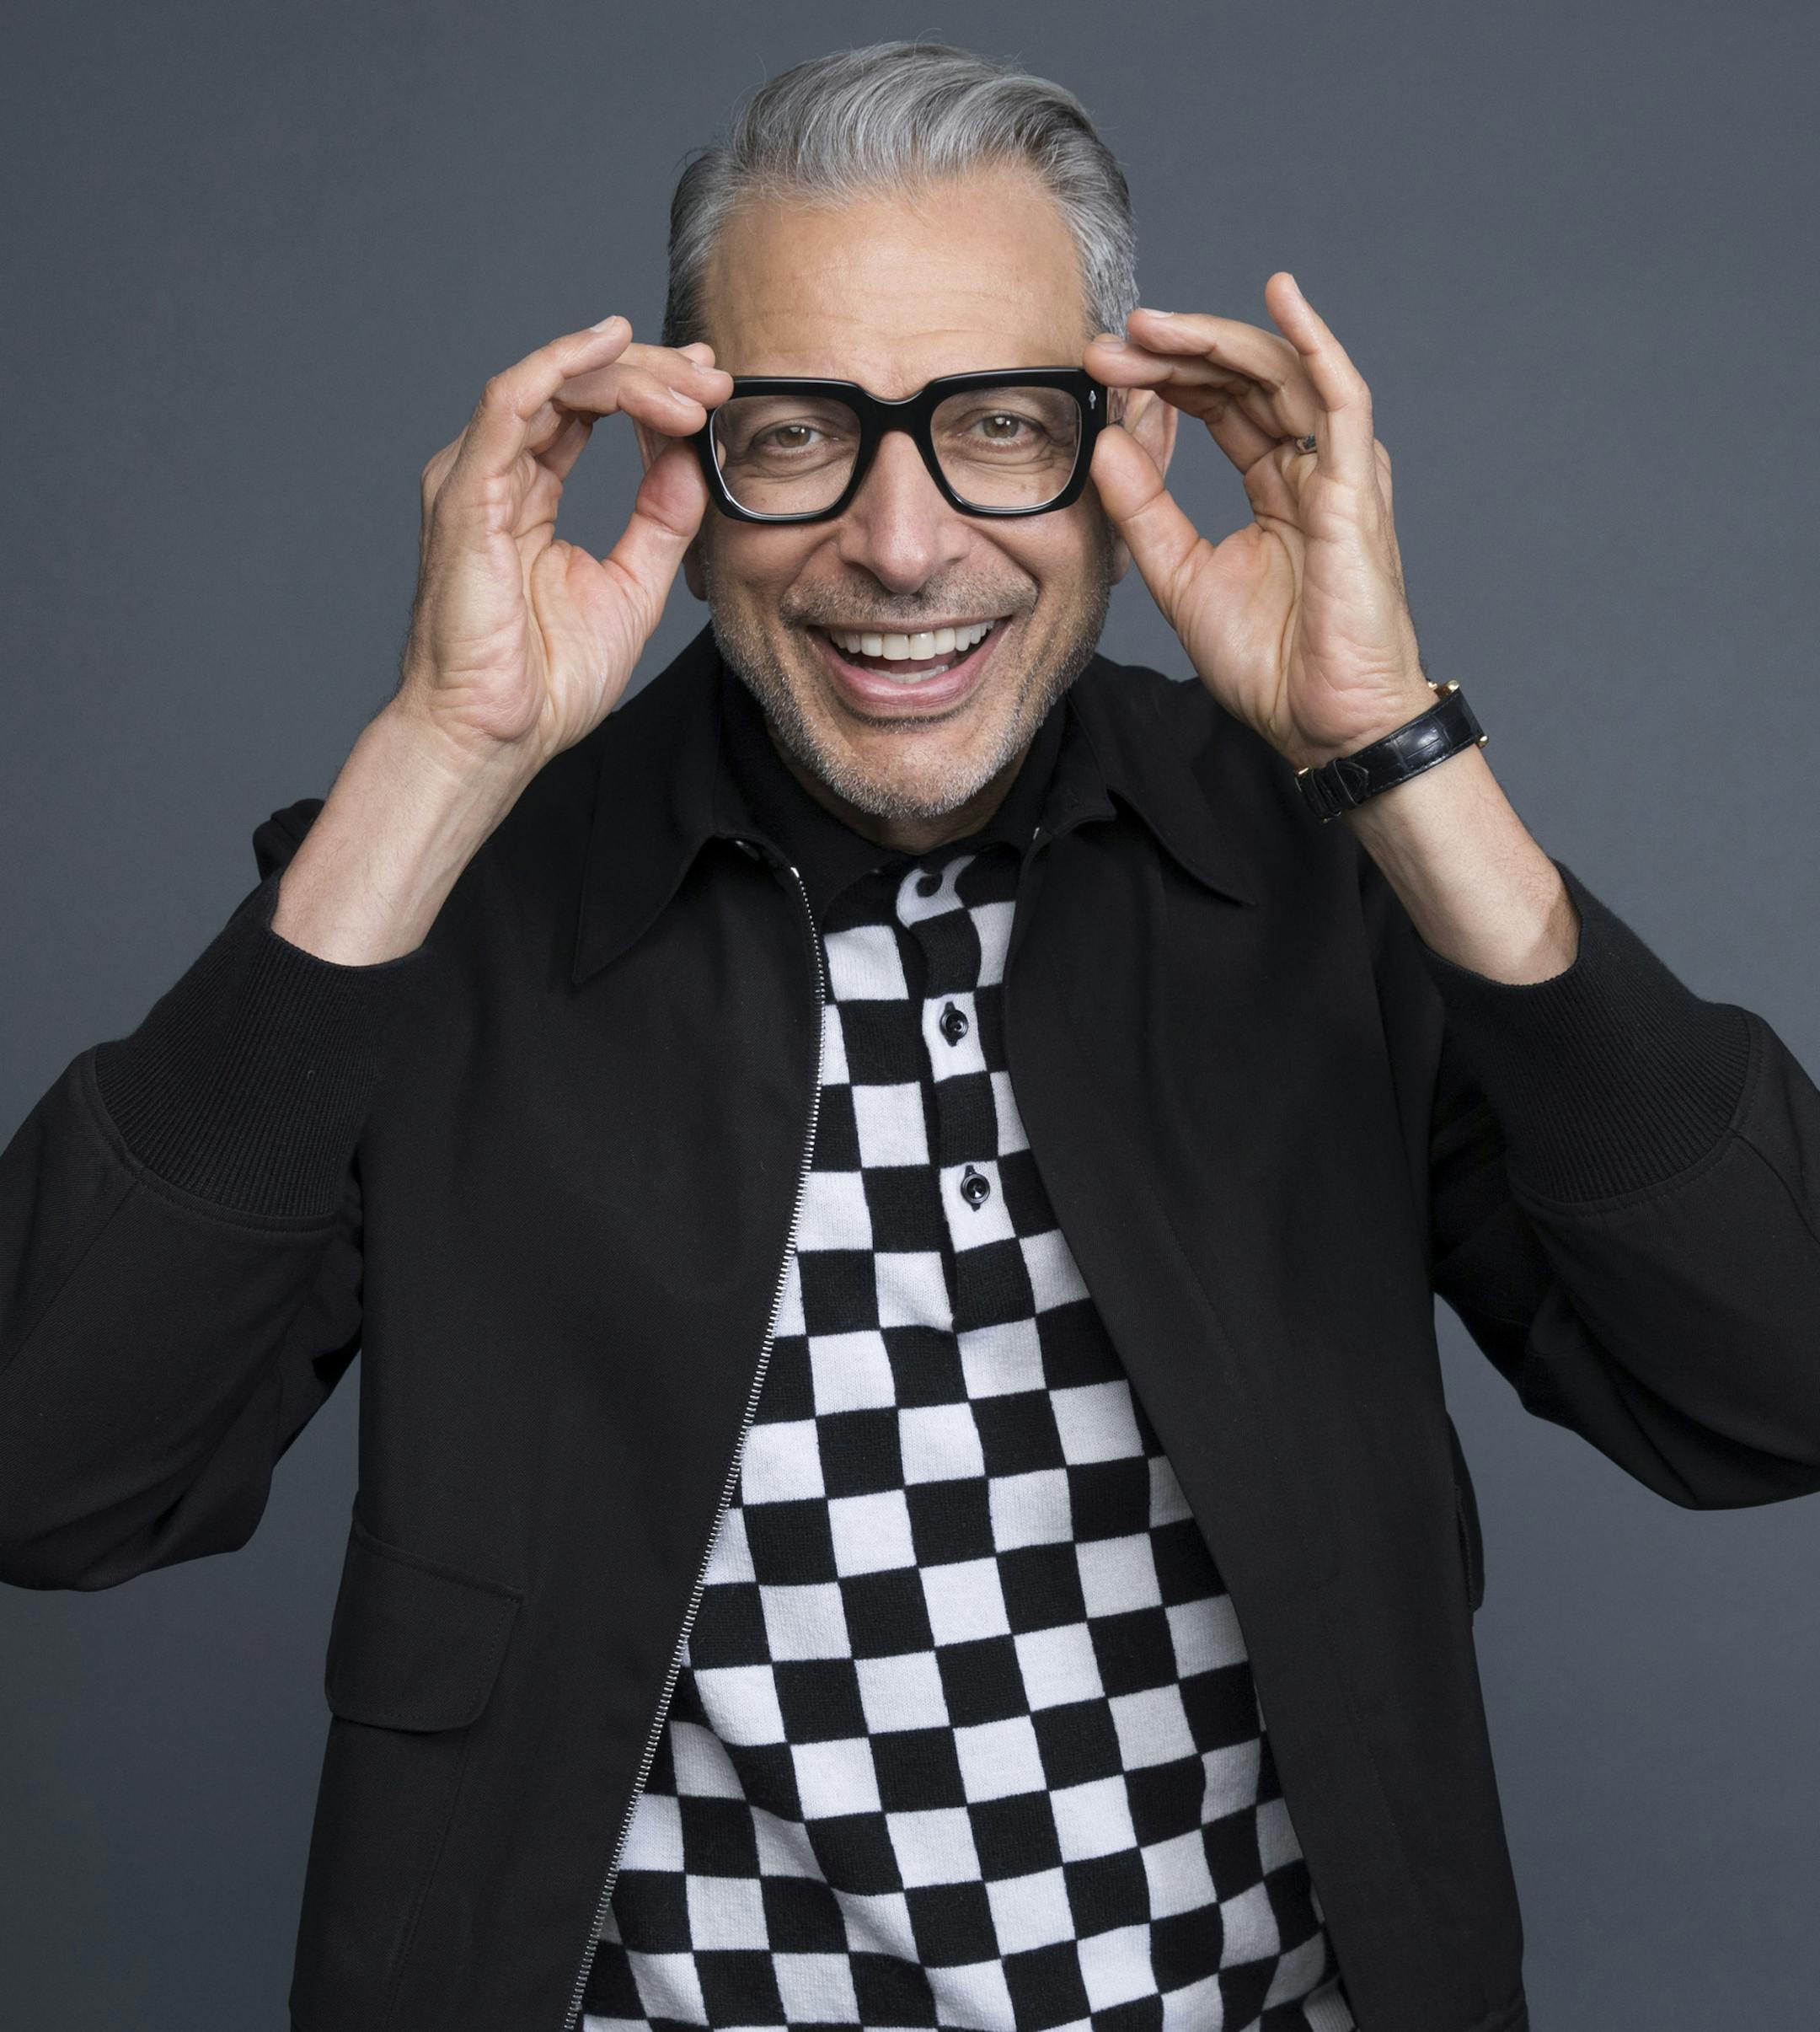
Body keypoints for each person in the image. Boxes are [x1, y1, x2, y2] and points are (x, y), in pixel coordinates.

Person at [2, 36, 1816, 2032]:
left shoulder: (1326, 872)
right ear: (683, 460)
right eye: (798, 435)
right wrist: (437, 763)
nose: (902, 542)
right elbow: (51, 1477)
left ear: (1126, 443)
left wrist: (1394, 755)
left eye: (1001, 425)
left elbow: (1769, 1387)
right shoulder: (445, 896)